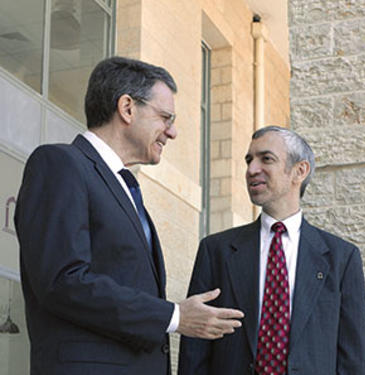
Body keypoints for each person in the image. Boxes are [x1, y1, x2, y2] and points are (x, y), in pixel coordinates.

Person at [14, 56, 244, 375]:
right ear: (127, 108)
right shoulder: (60, 164)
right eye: (165, 117)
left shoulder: (126, 190)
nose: (172, 132)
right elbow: (62, 280)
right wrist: (174, 316)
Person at [178, 126, 365, 375]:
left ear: (299, 171)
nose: (251, 169)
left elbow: (353, 359)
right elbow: (195, 350)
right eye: (249, 160)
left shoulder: (341, 258)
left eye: (266, 159)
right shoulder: (216, 251)